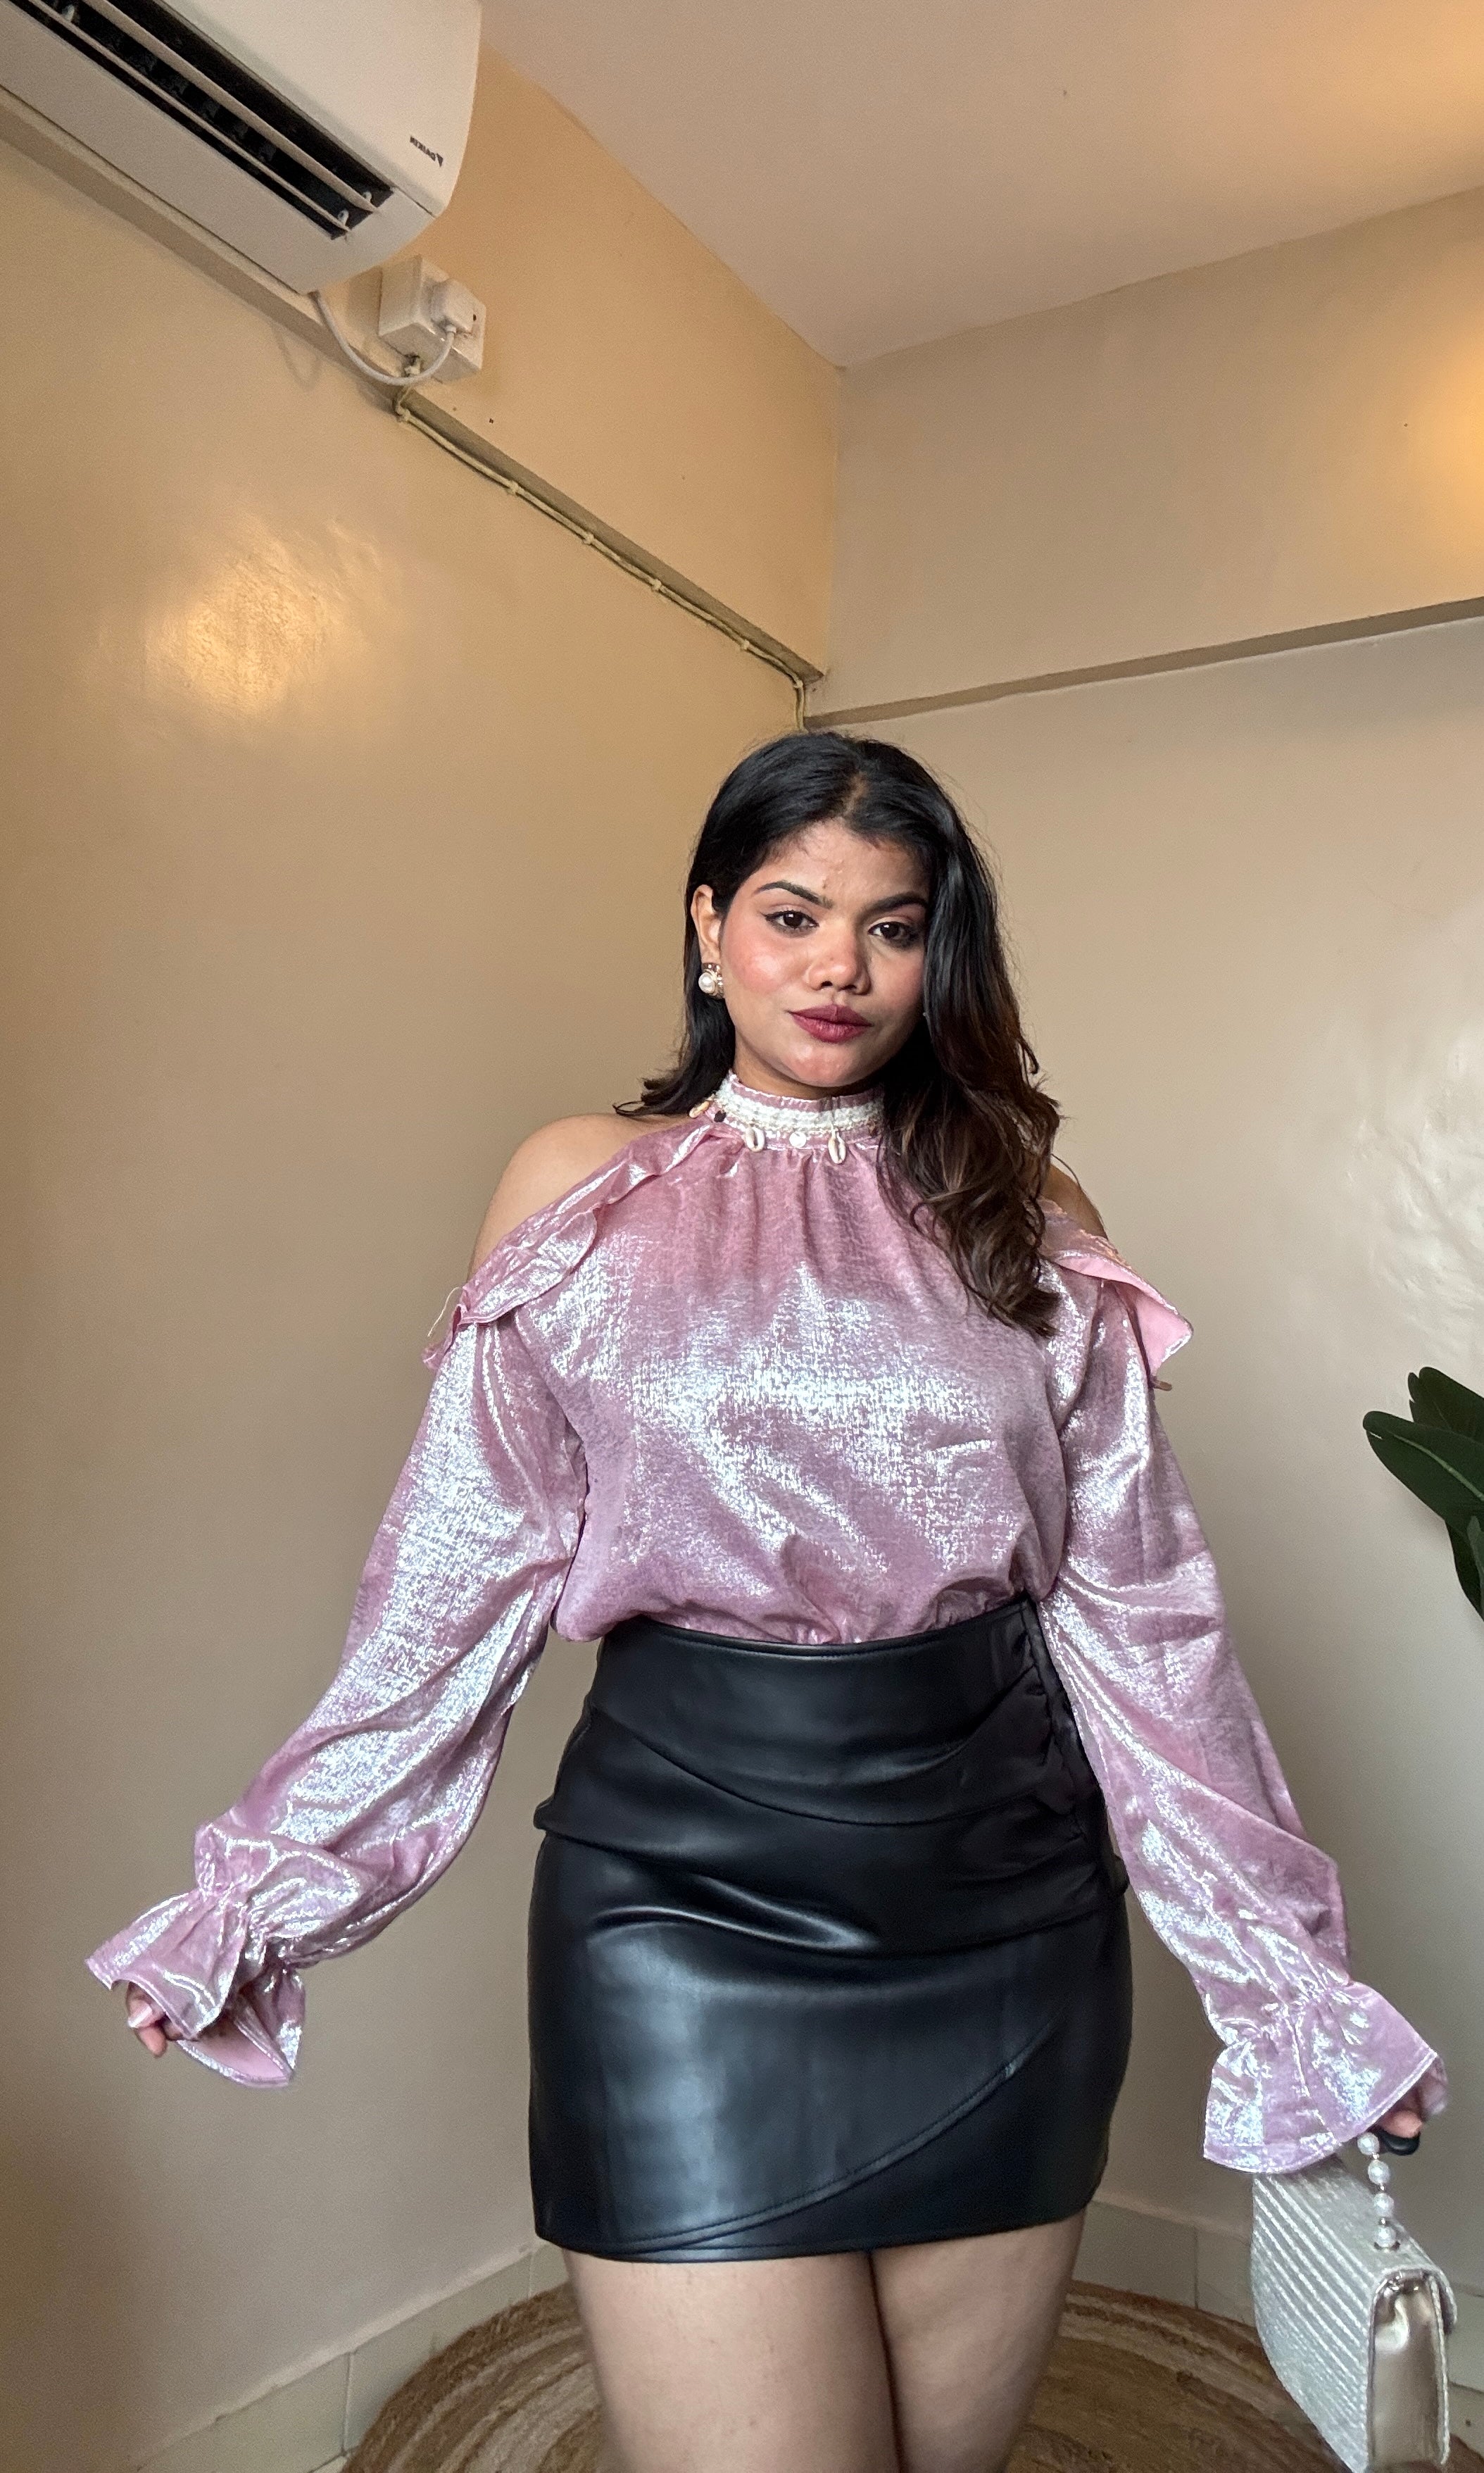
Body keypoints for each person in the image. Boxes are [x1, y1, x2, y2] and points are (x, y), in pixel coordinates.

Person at [91, 734, 1442, 2473]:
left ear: (938, 953)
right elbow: (451, 1586)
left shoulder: (1026, 1212)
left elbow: (1144, 1626)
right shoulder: (580, 1186)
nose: (839, 967)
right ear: (707, 923)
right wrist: (266, 1896)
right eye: (793, 914)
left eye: (894, 925)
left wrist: (1292, 1991)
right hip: (678, 1902)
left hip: (1005, 1907)